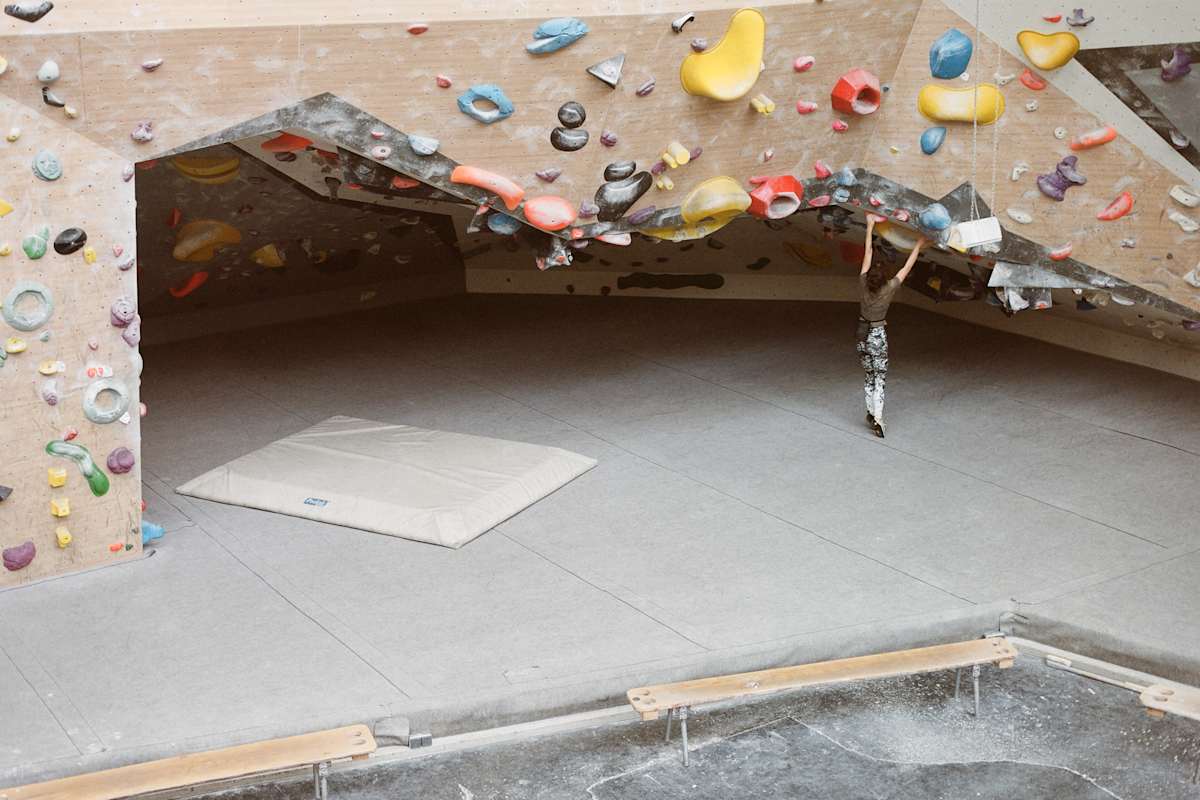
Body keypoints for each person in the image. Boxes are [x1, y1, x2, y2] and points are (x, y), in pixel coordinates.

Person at [858, 215, 927, 438]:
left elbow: (867, 253)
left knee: (869, 374)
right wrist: (918, 244)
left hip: (862, 334)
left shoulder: (862, 284)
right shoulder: (888, 289)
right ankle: (878, 418)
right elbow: (907, 266)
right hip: (877, 335)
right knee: (880, 378)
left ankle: (870, 412)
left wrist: (870, 225)